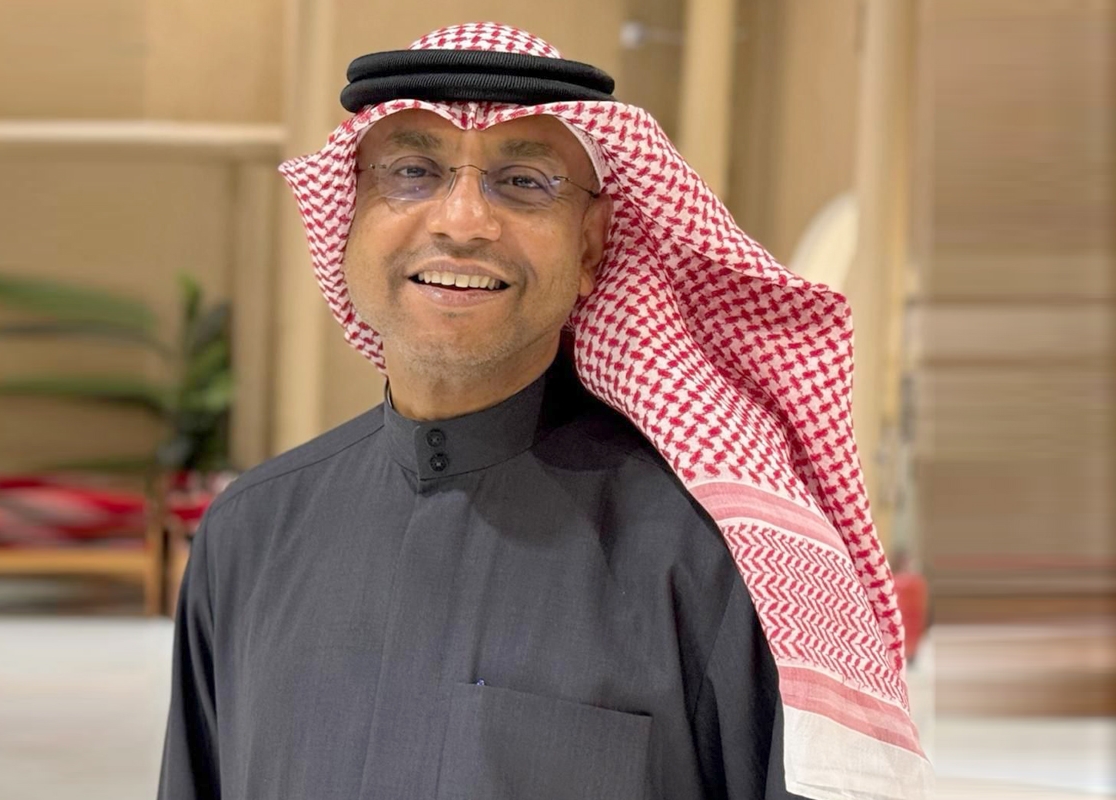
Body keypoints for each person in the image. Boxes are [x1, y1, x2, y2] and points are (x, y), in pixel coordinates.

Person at [158, 23, 932, 800]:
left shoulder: (716, 563)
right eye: (413, 171)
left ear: (591, 245)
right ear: (349, 214)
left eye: (524, 181)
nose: (462, 221)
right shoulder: (249, 535)